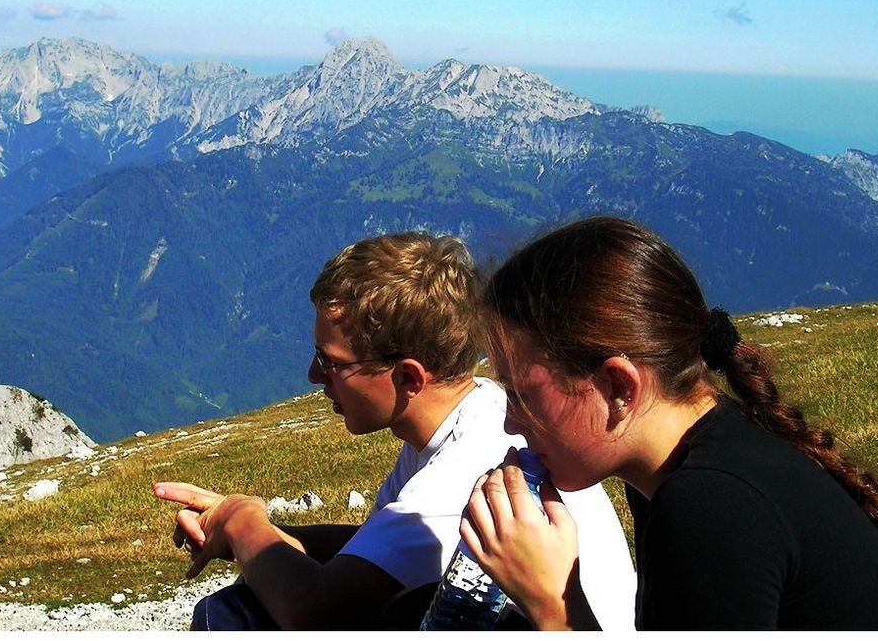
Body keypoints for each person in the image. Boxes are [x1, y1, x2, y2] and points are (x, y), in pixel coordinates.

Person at [153, 231, 636, 631]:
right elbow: (372, 549)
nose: (312, 376)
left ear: (408, 377)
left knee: (233, 617)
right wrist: (248, 533)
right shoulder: (473, 412)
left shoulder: (466, 474)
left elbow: (314, 611)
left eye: (331, 363)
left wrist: (241, 518)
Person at [461, 216, 878, 630]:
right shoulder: (700, 461)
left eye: (522, 394)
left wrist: (554, 606)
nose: (511, 424)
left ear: (618, 388)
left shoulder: (709, 507)